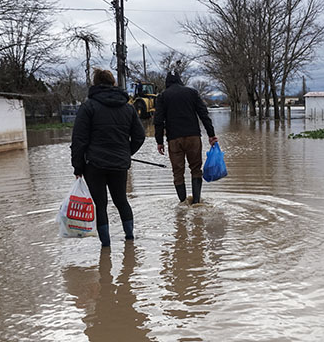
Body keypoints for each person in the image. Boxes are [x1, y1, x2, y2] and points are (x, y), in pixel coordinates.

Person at [71, 68, 145, 247]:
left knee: (100, 204)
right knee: (121, 201)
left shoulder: (88, 107)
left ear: (95, 84)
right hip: (119, 164)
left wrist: (78, 166)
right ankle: (130, 239)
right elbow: (139, 136)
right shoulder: (128, 108)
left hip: (93, 165)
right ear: (113, 83)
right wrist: (126, 153)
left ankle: (106, 246)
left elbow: (79, 140)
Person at [154, 71, 217, 204]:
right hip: (193, 137)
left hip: (174, 139)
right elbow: (203, 114)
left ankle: (183, 203)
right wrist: (211, 135)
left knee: (178, 173)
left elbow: (158, 121)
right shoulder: (192, 93)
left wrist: (159, 141)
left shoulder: (162, 96)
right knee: (196, 169)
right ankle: (196, 202)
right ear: (180, 80)